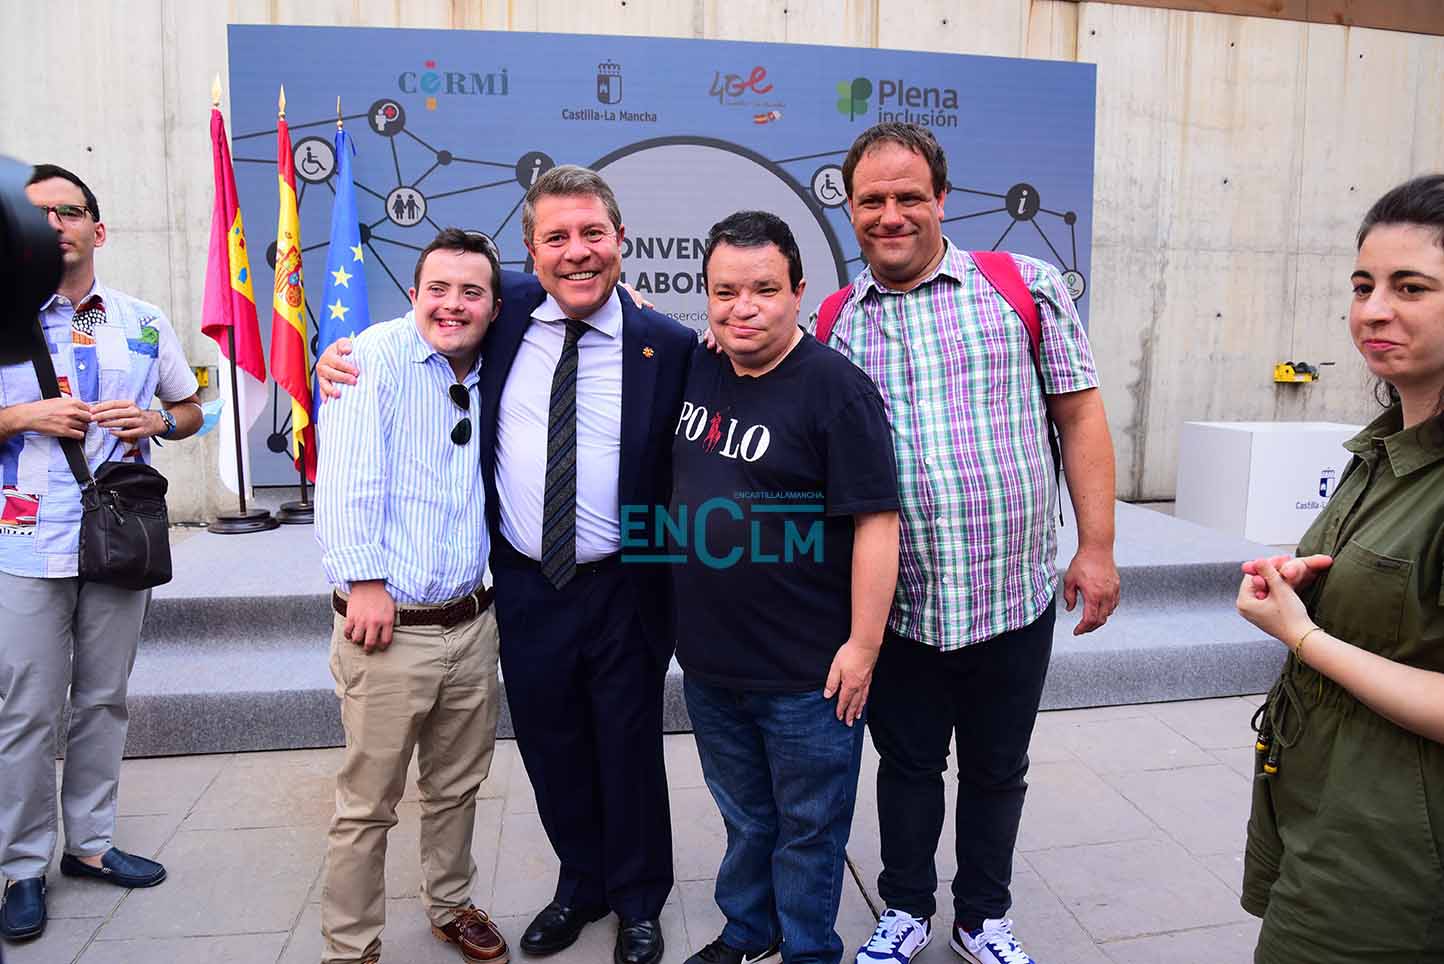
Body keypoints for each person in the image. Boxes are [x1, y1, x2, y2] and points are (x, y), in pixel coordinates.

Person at [317, 165, 693, 964]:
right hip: (525, 586)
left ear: (620, 240)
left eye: (592, 233)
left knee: (629, 749)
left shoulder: (669, 344)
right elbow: (430, 316)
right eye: (556, 237)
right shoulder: (506, 311)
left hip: (626, 584)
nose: (576, 251)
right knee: (553, 748)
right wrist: (339, 357)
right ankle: (581, 886)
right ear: (531, 253)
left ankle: (638, 901)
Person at [820, 125, 1120, 964]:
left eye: (908, 196)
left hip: (1011, 597)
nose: (890, 214)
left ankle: (983, 916)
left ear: (942, 200)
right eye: (872, 200)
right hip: (902, 607)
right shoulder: (836, 319)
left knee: (997, 768)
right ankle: (906, 907)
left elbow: (1080, 416)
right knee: (906, 765)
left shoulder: (1023, 286)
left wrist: (1096, 547)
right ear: (850, 209)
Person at [670, 211, 899, 964]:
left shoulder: (837, 391)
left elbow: (877, 525)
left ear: (799, 292)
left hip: (807, 675)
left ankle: (807, 948)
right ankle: (749, 930)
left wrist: (863, 647)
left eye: (764, 289)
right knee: (745, 818)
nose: (744, 308)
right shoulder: (697, 365)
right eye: (725, 292)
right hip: (711, 665)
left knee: (808, 829)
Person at [1234, 174, 1444, 964]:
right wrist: (1311, 586)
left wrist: (1304, 637)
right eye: (1363, 286)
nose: (1372, 311)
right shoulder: (1383, 448)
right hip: (1319, 805)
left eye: (1410, 288)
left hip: (1392, 859)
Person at [0, 164, 202, 943]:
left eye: (70, 211)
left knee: (104, 698)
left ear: (98, 228)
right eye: (39, 214)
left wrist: (158, 422)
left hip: (118, 537)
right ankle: (22, 866)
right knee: (26, 711)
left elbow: (191, 406)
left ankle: (88, 844)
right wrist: (26, 415)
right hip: (25, 540)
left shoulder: (142, 320)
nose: (56, 225)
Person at [315, 228, 508, 964]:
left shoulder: (497, 359)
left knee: (457, 786)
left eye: (471, 292)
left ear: (494, 305)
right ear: (413, 293)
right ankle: (350, 946)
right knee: (368, 803)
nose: (453, 305)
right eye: (438, 289)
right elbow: (347, 480)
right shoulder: (371, 358)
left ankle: (451, 905)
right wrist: (364, 581)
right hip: (388, 625)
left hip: (472, 621)